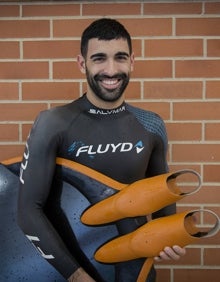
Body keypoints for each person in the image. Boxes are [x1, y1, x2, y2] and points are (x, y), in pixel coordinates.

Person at [18, 18, 186, 282]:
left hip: (135, 272)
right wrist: (77, 276)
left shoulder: (151, 125)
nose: (111, 70)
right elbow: (28, 211)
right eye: (99, 58)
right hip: (66, 273)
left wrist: (169, 240)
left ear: (132, 61)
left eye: (120, 57)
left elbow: (162, 197)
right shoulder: (53, 123)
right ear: (82, 63)